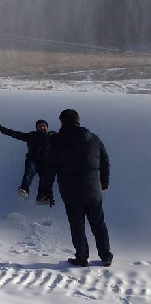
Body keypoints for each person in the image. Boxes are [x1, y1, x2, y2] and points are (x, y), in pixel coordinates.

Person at [50, 109, 112, 267]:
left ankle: (82, 257)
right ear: (78, 120)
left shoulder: (57, 141)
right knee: (98, 224)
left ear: (62, 121)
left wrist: (45, 190)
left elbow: (50, 167)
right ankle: (106, 256)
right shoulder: (94, 139)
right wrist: (104, 182)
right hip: (94, 190)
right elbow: (105, 161)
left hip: (71, 192)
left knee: (77, 226)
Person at [0, 120, 56, 205]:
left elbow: (63, 140)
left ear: (47, 127)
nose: (42, 128)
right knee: (29, 172)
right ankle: (24, 190)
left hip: (45, 162)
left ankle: (42, 197)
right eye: (40, 126)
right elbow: (15, 134)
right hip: (33, 160)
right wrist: (1, 128)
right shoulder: (32, 136)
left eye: (44, 126)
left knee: (44, 179)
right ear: (36, 128)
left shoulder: (52, 136)